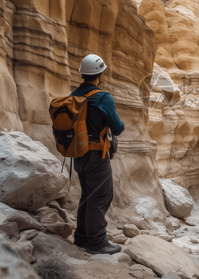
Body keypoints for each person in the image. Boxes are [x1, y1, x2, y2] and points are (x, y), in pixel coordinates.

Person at [72, 54, 124, 255]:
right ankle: (97, 243)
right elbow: (117, 128)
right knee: (100, 196)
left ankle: (81, 237)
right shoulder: (102, 97)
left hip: (78, 154)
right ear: (100, 74)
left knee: (87, 194)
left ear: (82, 74)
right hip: (96, 156)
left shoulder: (73, 96)